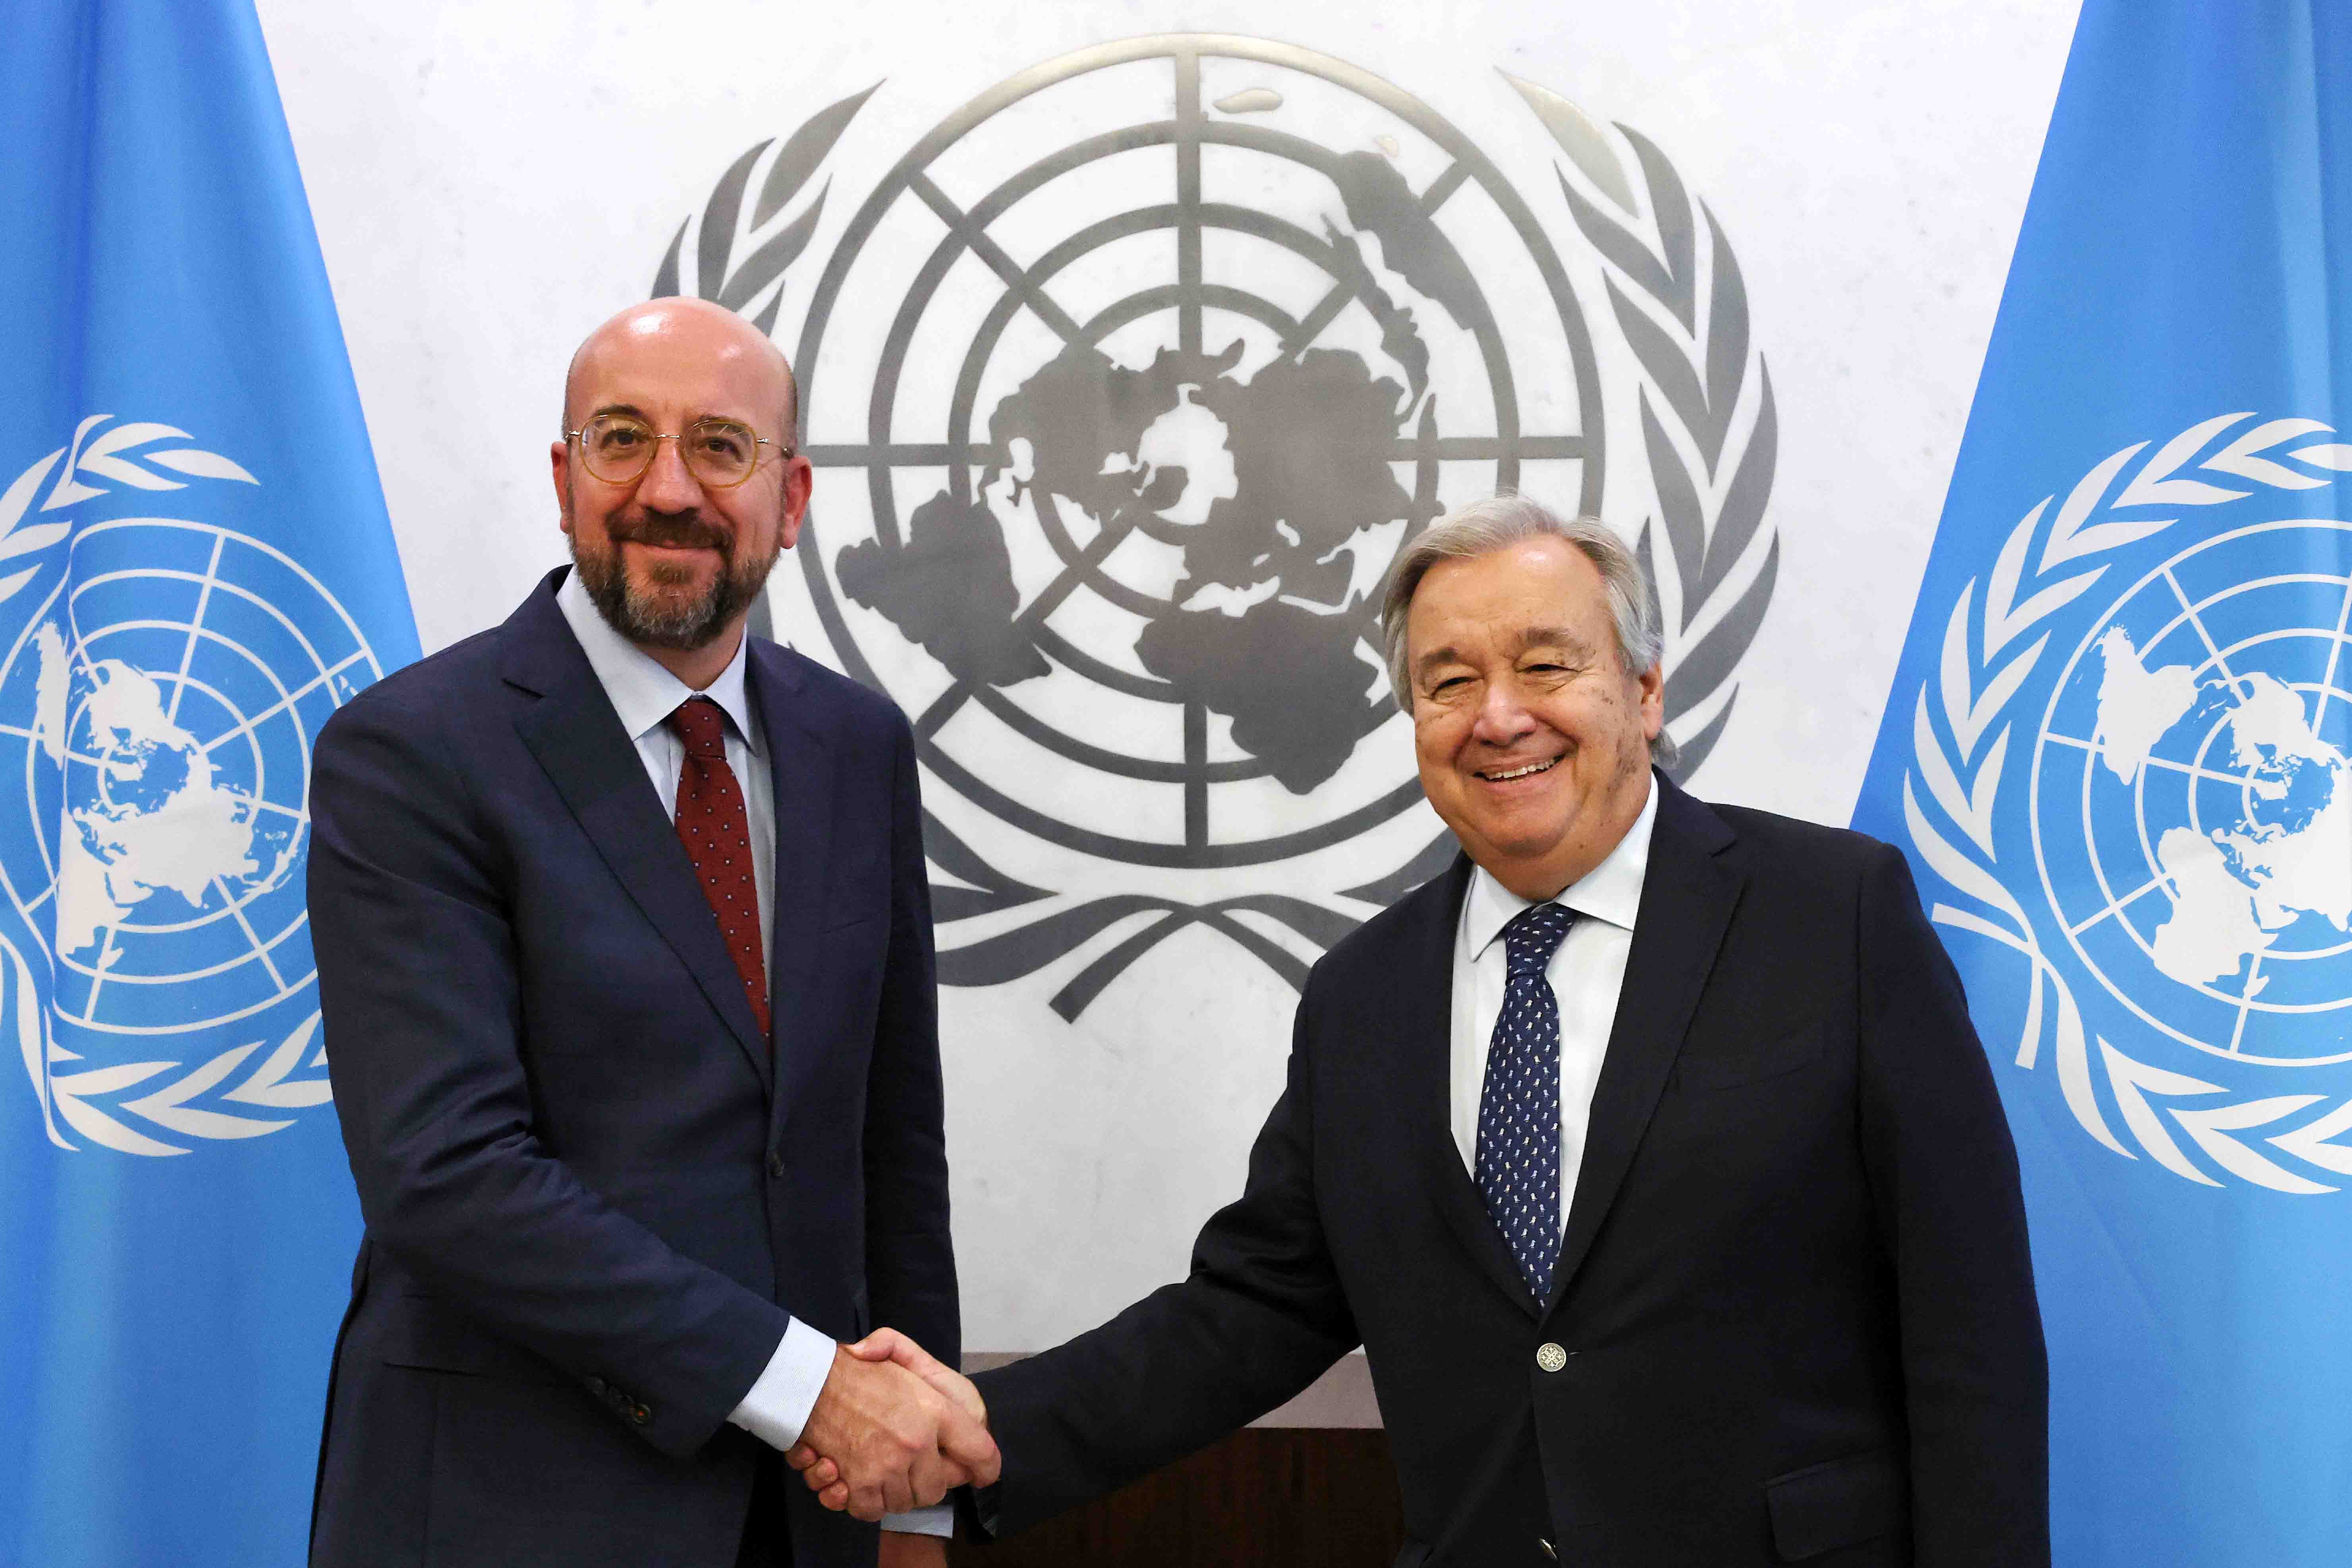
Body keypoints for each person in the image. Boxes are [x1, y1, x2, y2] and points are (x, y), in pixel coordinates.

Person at [793, 494, 2049, 1565]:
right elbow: (1246, 1315)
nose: (1497, 715)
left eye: (1545, 664)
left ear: (1646, 689)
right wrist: (979, 1435)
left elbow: (1969, 1332)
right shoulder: (1363, 1000)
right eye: (1449, 681)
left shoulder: (1832, 916)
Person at [306, 297, 992, 1568]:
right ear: (566, 480)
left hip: (810, 1520)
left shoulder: (856, 744)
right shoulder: (409, 753)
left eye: (720, 448)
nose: (667, 490)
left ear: (790, 501)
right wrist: (806, 1388)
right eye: (623, 440)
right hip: (503, 1511)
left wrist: (912, 1503)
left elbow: (890, 1140)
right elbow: (446, 1178)